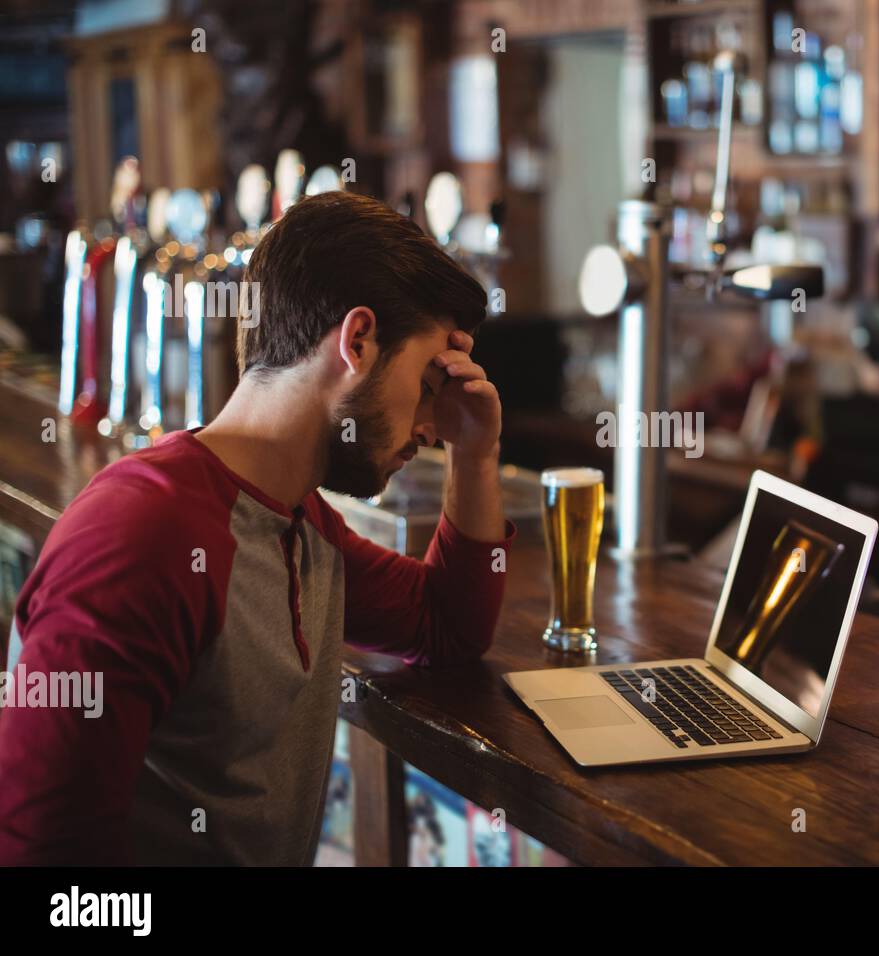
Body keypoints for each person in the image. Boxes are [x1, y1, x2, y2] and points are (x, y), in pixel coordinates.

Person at [0, 191, 514, 865]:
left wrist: (477, 451)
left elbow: (445, 627)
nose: (430, 425)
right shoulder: (142, 538)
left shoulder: (298, 519)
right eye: (426, 383)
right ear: (357, 341)